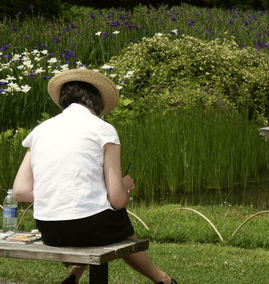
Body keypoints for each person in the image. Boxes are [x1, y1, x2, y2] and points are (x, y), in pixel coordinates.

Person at [12, 68, 177, 284]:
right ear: (96, 102)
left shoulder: (40, 131)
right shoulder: (104, 129)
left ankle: (74, 274)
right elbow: (117, 200)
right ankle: (162, 279)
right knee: (119, 225)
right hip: (89, 226)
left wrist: (59, 193)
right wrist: (125, 187)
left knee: (94, 222)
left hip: (49, 228)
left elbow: (20, 191)